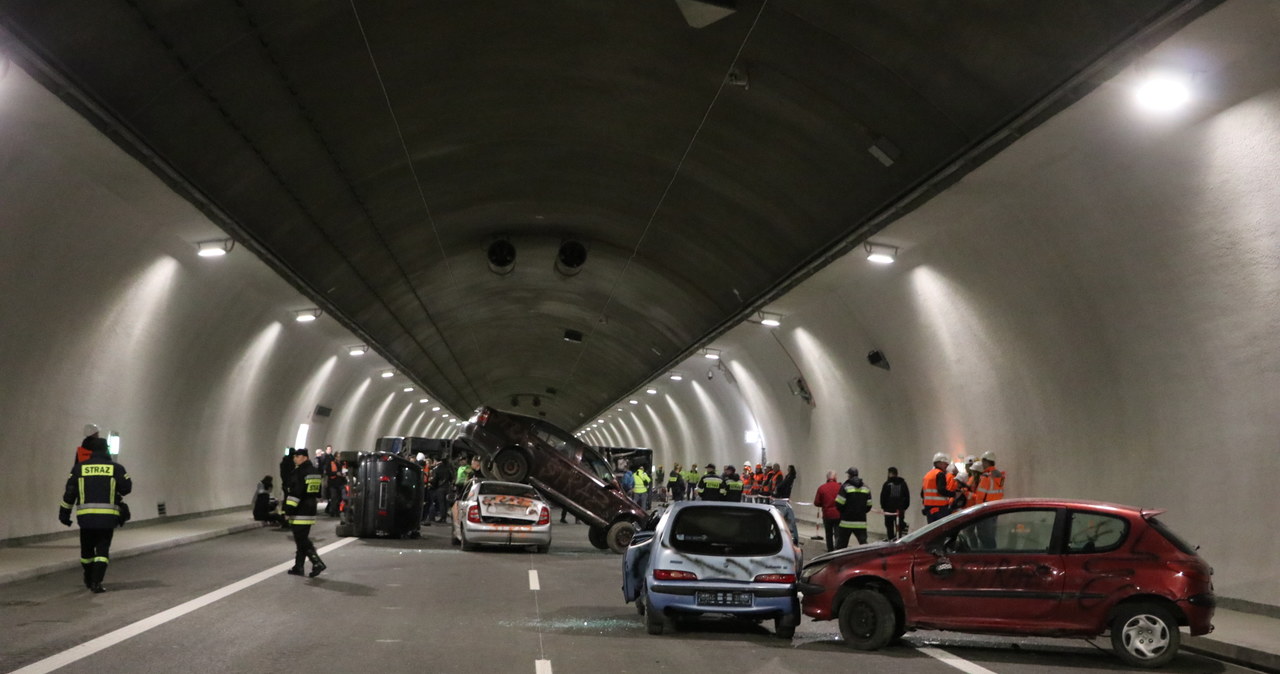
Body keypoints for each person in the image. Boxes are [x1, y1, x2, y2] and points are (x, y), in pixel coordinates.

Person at [59, 436, 131, 592]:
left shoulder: (79, 468)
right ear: (107, 450)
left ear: (90, 451)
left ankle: (88, 576)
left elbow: (70, 493)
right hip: (107, 519)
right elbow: (126, 488)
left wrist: (64, 514)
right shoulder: (116, 468)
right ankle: (96, 582)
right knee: (102, 551)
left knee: (86, 552)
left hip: (86, 519)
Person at [283, 448, 326, 578]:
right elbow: (317, 492)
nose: (295, 458)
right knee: (301, 538)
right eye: (294, 456)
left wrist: (288, 509)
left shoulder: (300, 472)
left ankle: (317, 562)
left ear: (305, 457)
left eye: (297, 456)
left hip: (300, 509)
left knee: (301, 539)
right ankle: (298, 566)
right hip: (310, 507)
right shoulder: (314, 471)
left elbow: (296, 492)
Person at [833, 467, 871, 548]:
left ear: (849, 476)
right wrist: (860, 512)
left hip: (846, 522)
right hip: (861, 523)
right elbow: (869, 505)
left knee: (841, 546)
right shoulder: (866, 488)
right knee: (864, 546)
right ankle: (866, 560)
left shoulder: (845, 487)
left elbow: (839, 503)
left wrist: (844, 512)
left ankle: (840, 560)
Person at [922, 452, 957, 523]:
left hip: (929, 509)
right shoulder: (940, 474)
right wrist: (953, 494)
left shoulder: (927, 475)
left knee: (932, 531)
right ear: (939, 463)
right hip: (940, 509)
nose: (946, 466)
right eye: (945, 464)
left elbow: (922, 493)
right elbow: (941, 490)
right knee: (943, 530)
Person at [812, 471, 842, 552]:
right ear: (835, 478)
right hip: (838, 514)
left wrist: (824, 504)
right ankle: (837, 549)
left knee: (828, 534)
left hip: (827, 514)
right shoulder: (840, 487)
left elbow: (816, 502)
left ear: (827, 478)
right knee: (838, 533)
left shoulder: (822, 488)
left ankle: (830, 550)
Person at [879, 467, 910, 541]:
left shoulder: (887, 484)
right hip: (899, 510)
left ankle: (890, 541)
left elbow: (883, 497)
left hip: (889, 510)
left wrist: (883, 507)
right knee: (899, 526)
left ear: (890, 474)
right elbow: (907, 497)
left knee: (889, 527)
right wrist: (904, 508)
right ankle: (898, 541)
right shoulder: (903, 483)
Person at [773, 465, 799, 543]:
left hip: (784, 495)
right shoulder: (790, 477)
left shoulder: (789, 477)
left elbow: (783, 484)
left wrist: (778, 488)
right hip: (785, 496)